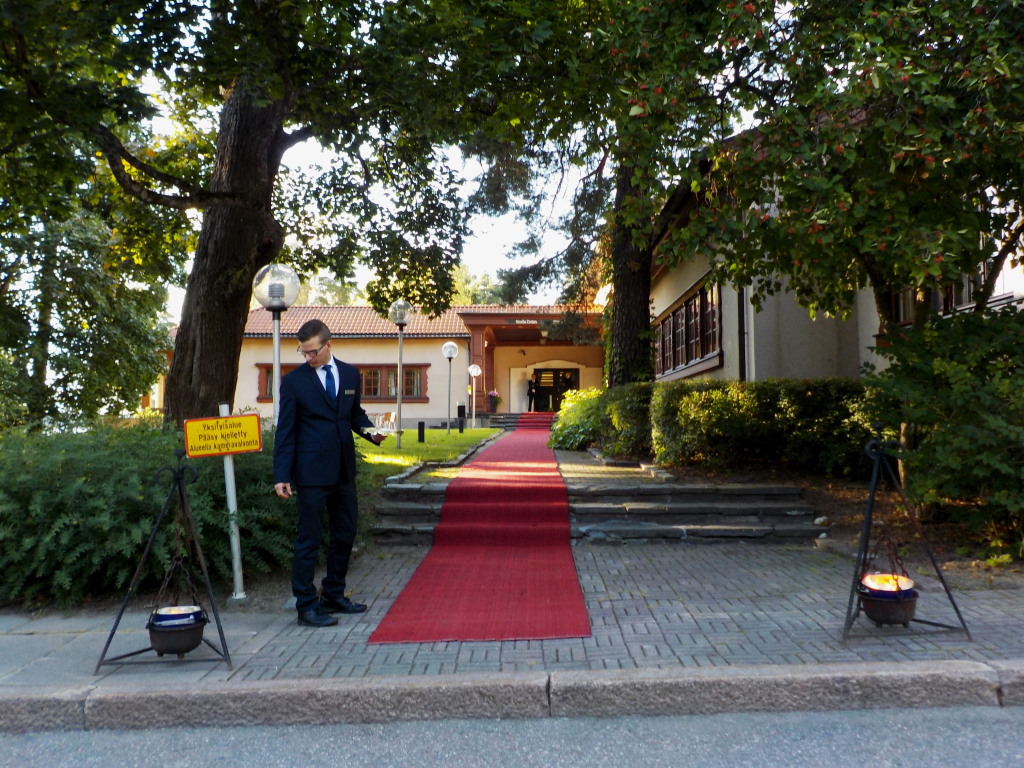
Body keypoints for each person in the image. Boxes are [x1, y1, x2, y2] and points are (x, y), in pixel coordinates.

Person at [273, 319, 386, 628]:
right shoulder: (294, 382)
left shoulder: (349, 374)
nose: (308, 357)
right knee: (309, 539)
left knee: (345, 533)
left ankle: (333, 595)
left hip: (343, 471)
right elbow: (286, 430)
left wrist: (374, 433)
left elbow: (354, 415)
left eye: (313, 351)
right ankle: (306, 606)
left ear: (329, 345)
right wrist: (281, 474)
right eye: (303, 352)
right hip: (310, 473)